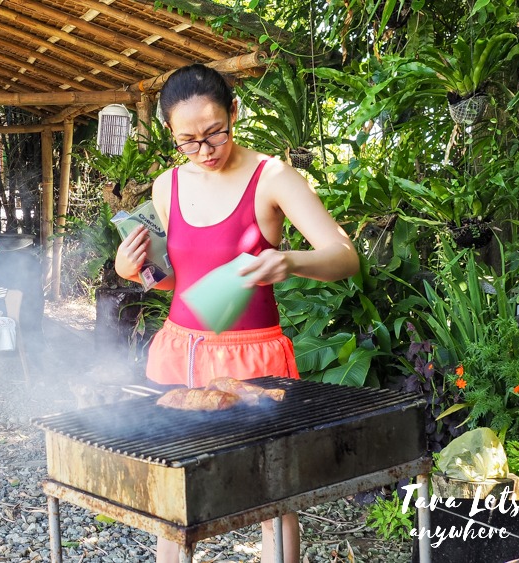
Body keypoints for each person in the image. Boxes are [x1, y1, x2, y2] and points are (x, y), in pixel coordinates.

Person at [114, 64, 359, 563]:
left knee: (273, 493)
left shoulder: (272, 176)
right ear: (170, 133)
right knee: (171, 495)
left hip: (253, 359)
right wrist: (135, 271)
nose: (205, 150)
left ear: (235, 114)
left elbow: (345, 256)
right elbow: (192, 284)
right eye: (188, 140)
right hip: (177, 352)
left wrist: (291, 261)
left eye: (215, 133)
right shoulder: (167, 185)